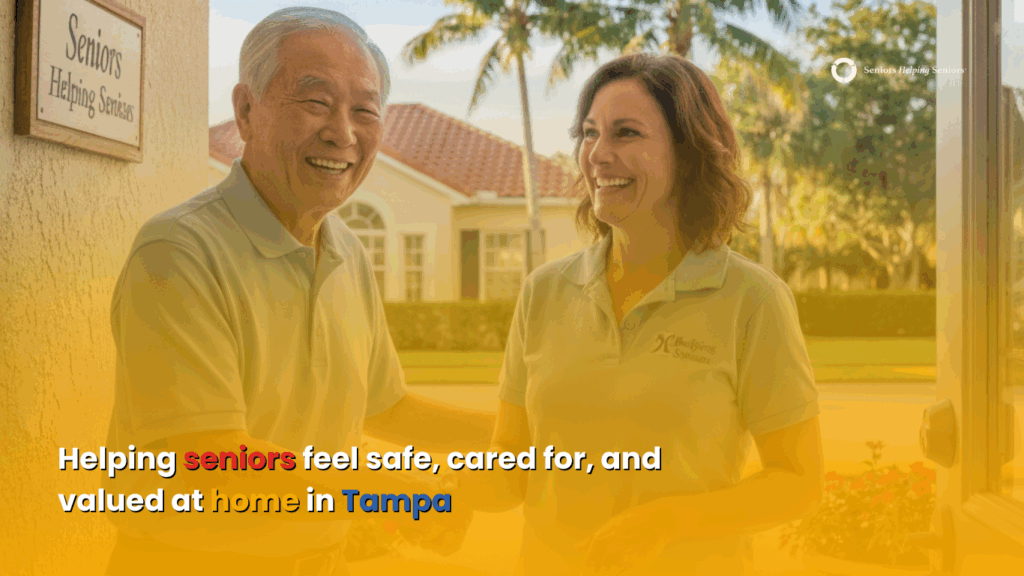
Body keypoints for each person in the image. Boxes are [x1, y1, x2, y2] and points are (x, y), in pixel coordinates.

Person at [102, 7, 491, 576]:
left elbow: (388, 407)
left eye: (365, 109)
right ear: (245, 110)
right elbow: (208, 461)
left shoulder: (347, 253)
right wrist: (398, 493)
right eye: (315, 102)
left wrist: (530, 432)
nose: (343, 132)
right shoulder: (178, 252)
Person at [455, 53, 824, 576]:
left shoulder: (753, 299)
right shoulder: (544, 292)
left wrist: (665, 523)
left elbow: (798, 482)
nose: (597, 155)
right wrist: (448, 495)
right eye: (589, 133)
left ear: (688, 153)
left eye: (626, 133)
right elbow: (513, 465)